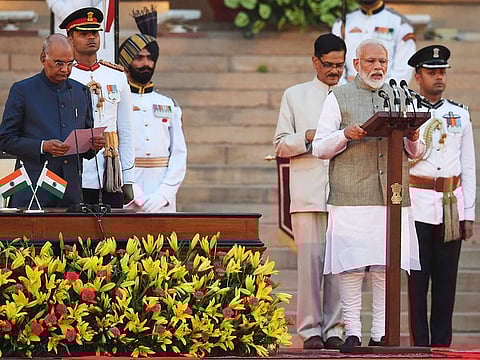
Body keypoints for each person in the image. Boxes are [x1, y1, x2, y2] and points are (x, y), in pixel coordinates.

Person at [312, 39, 424, 352]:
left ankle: (380, 333)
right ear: (357, 64)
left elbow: (417, 152)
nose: (377, 67)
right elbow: (319, 147)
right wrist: (344, 135)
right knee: (351, 266)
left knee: (383, 266)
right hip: (351, 193)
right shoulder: (340, 96)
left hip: (392, 195)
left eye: (383, 62)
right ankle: (351, 331)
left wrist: (413, 136)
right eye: (371, 61)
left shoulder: (400, 95)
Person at [273, 33, 346, 350]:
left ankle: (336, 329)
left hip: (346, 194)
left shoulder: (351, 94)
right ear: (315, 61)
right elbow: (279, 144)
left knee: (341, 267)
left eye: (340, 65)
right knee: (310, 267)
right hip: (308, 192)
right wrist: (308, 135)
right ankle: (309, 330)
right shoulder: (295, 95)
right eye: (329, 64)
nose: (334, 71)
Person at [406, 45, 476, 347]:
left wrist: (468, 213)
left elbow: (469, 165)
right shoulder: (406, 111)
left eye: (442, 72)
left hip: (450, 205)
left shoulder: (459, 114)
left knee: (446, 282)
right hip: (416, 203)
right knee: (417, 283)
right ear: (418, 76)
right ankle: (420, 346)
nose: (438, 78)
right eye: (432, 72)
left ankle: (442, 346)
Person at [0, 34, 104, 209]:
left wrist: (93, 145)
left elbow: (85, 148)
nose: (65, 69)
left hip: (71, 191)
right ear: (43, 58)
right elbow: (5, 140)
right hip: (33, 189)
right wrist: (42, 146)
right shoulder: (23, 90)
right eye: (59, 63)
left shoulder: (81, 92)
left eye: (70, 63)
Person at [60, 7, 135, 209]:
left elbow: (126, 130)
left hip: (109, 167)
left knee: (112, 235)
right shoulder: (65, 75)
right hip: (75, 167)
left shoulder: (116, 76)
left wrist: (128, 176)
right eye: (83, 33)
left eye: (94, 32)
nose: (91, 37)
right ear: (70, 38)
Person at [118, 29, 187, 212]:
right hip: (128, 193)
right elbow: (112, 152)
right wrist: (137, 196)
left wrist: (163, 194)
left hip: (162, 195)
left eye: (149, 58)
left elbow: (179, 154)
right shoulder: (116, 102)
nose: (146, 63)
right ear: (126, 62)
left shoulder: (168, 104)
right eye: (139, 58)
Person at [331, 0, 416, 83]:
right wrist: (347, 89)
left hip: (386, 92)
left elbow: (403, 70)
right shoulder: (341, 24)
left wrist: (380, 91)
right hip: (348, 91)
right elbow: (335, 64)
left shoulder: (400, 23)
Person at [45, 0, 116, 62]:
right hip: (68, 19)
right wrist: (64, 11)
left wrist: (94, 13)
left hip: (95, 16)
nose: (91, 37)